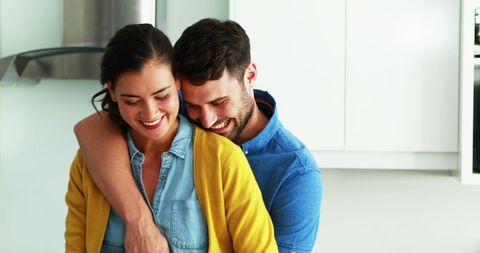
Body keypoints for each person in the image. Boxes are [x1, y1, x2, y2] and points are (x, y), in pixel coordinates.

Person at [74, 18, 322, 253]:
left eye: (220, 101)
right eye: (192, 105)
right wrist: (138, 219)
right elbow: (92, 128)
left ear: (250, 76)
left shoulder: (296, 173)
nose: (207, 120)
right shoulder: (165, 113)